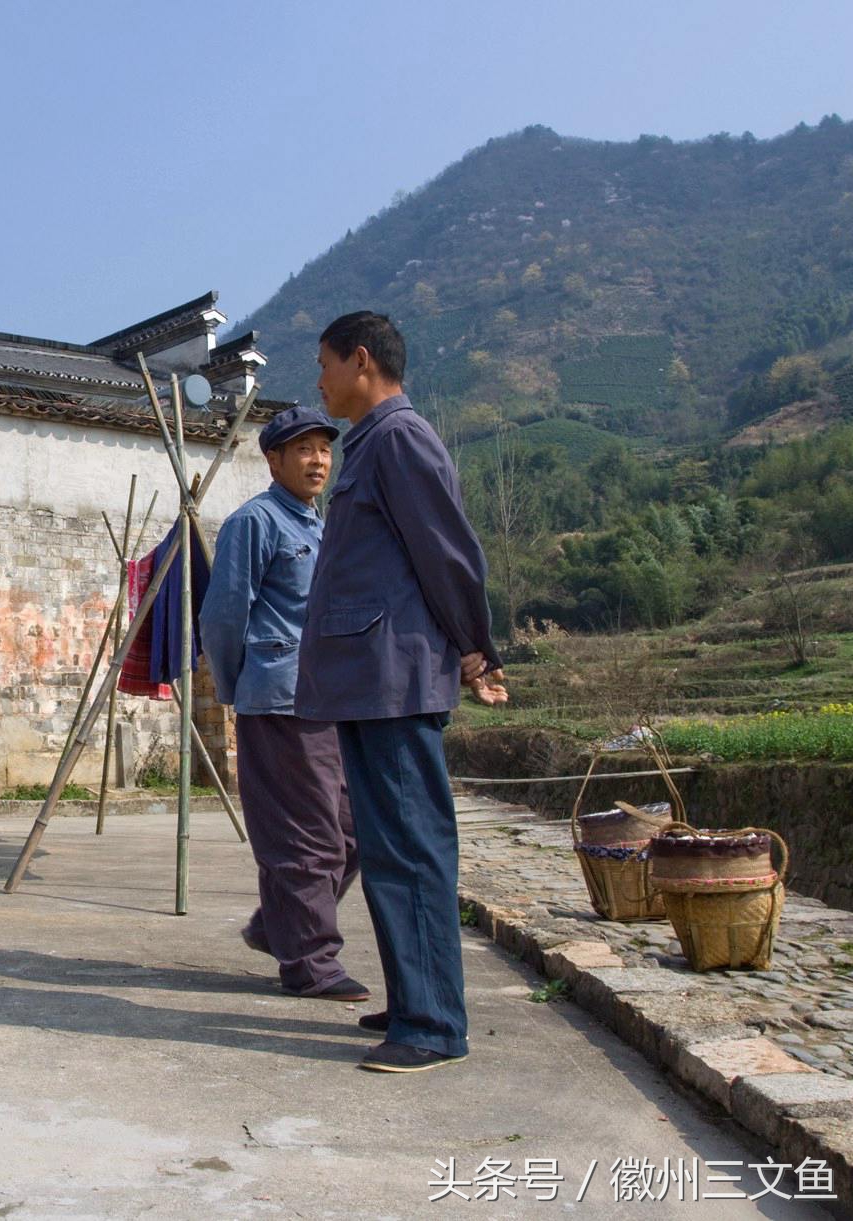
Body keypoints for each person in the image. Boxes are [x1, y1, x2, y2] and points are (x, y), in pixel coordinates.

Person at [296, 311, 509, 1075]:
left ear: (361, 361)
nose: (317, 381)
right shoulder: (373, 442)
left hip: (395, 678)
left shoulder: (401, 438)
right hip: (368, 680)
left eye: (324, 364)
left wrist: (477, 648)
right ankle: (413, 997)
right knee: (389, 848)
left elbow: (450, 555)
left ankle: (432, 1023)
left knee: (412, 848)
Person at [201, 405, 365, 1003]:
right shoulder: (255, 522)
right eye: (302, 450)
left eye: (324, 448)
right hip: (280, 701)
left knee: (356, 832)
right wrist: (240, 688)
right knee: (310, 837)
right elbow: (222, 617)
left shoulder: (321, 525)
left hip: (330, 701)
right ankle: (310, 964)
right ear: (273, 460)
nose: (317, 460)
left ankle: (277, 928)